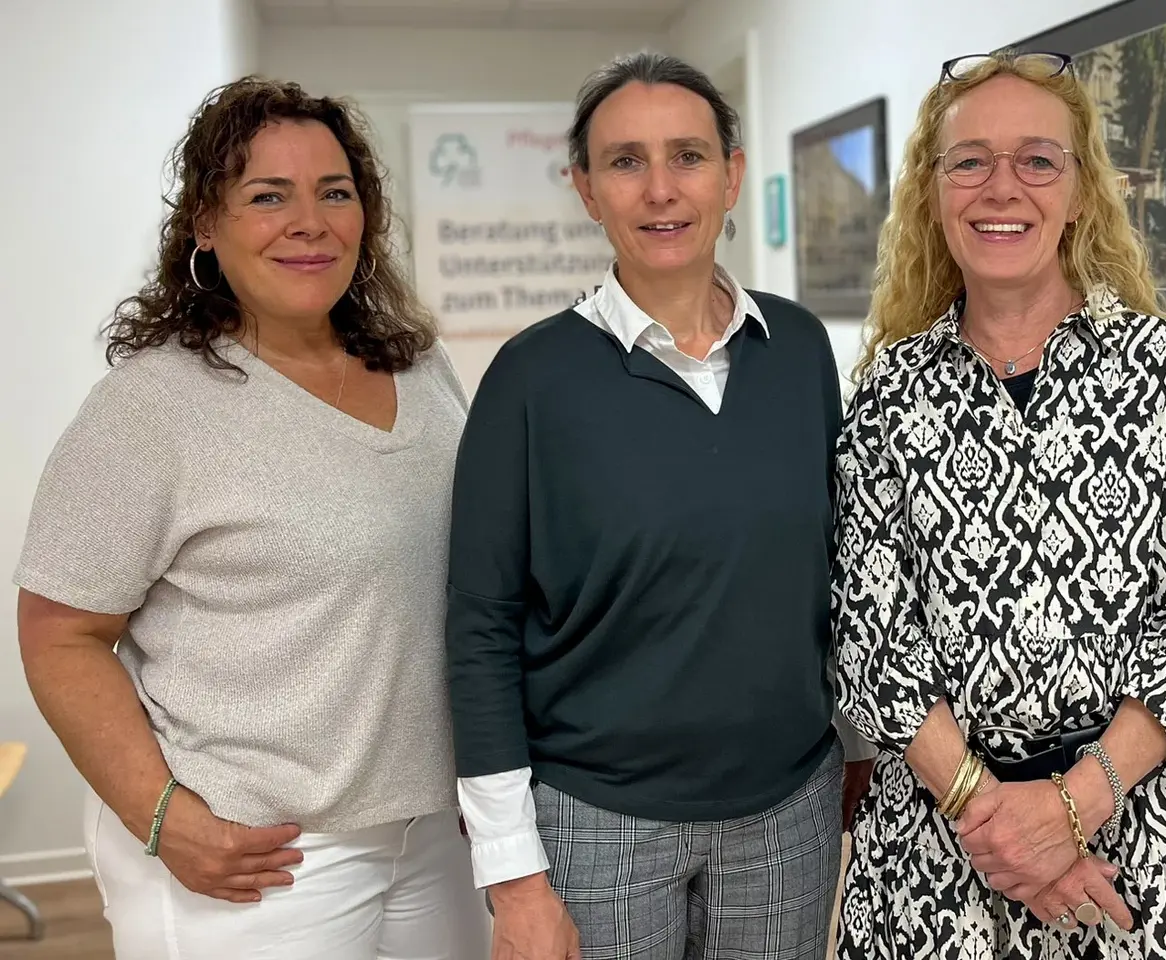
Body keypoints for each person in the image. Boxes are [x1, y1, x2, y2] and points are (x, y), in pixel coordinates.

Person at [13, 77, 491, 959]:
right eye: (267, 196)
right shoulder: (151, 408)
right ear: (205, 224)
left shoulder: (423, 373)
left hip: (433, 833)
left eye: (333, 193)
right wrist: (162, 816)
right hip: (254, 854)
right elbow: (59, 635)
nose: (308, 222)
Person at [830, 50, 1166, 959]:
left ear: (1077, 190)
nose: (1003, 188)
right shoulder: (889, 395)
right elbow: (874, 645)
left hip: (1145, 850)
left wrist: (1072, 808)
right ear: (934, 189)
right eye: (970, 161)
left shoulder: (1163, 372)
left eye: (1037, 159)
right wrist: (1008, 830)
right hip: (940, 858)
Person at [445, 51, 876, 960]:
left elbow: (833, 572)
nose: (660, 189)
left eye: (686, 155)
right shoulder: (530, 379)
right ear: (586, 189)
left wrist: (858, 746)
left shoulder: (798, 349)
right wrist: (512, 872)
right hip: (595, 822)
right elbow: (480, 625)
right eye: (625, 161)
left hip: (788, 812)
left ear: (731, 175)